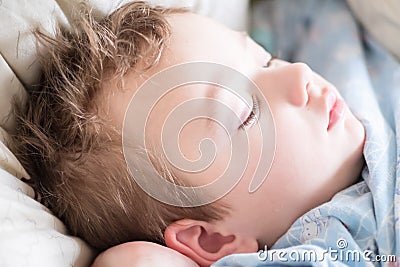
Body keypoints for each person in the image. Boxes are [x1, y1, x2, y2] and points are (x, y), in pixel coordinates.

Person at [11, 1, 366, 267]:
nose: (299, 73)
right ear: (212, 240)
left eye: (266, 60)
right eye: (245, 114)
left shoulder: (339, 48)